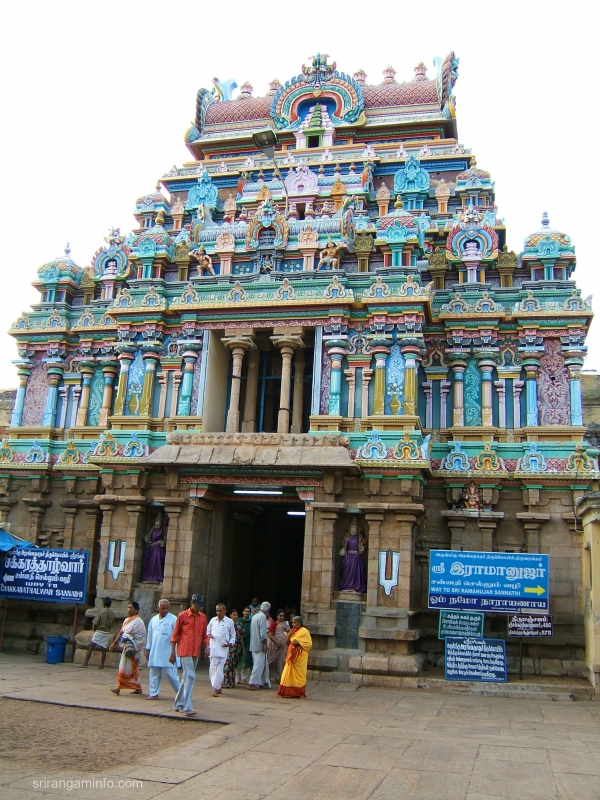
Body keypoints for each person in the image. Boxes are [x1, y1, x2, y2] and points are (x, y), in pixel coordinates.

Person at [170, 594, 208, 716]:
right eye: (196, 606)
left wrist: (207, 646)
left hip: (195, 650)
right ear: (191, 603)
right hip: (184, 649)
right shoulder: (182, 616)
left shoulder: (202, 617)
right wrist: (172, 653)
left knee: (186, 678)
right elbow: (174, 636)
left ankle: (178, 704)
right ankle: (188, 707)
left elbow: (204, 635)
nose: (198, 609)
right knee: (191, 676)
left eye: (200, 607)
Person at [109, 601, 147, 695]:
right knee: (128, 668)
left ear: (136, 610)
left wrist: (130, 639)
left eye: (131, 608)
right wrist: (114, 643)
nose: (129, 609)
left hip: (133, 647)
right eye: (128, 607)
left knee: (128, 668)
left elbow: (142, 635)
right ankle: (137, 688)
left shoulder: (139, 621)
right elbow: (121, 632)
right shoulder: (126, 620)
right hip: (126, 646)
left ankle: (119, 688)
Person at [145, 598, 180, 700]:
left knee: (171, 674)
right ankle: (153, 693)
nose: (164, 610)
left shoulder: (174, 619)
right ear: (158, 608)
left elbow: (176, 636)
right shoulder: (153, 620)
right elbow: (150, 636)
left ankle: (182, 693)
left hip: (168, 651)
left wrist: (174, 652)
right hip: (155, 650)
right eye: (162, 608)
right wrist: (148, 648)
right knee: (154, 672)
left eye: (166, 608)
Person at [277, 615, 312, 698]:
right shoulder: (292, 631)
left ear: (299, 623)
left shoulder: (304, 631)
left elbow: (309, 644)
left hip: (300, 656)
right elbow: (287, 642)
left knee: (299, 675)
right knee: (287, 673)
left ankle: (298, 692)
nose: (293, 624)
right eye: (292, 623)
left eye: (294, 623)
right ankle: (286, 691)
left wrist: (299, 643)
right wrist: (289, 635)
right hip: (291, 656)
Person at [206, 603, 235, 697]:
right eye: (217, 611)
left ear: (225, 611)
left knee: (219, 669)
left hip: (223, 648)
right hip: (213, 647)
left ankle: (215, 688)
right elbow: (207, 632)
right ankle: (218, 687)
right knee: (212, 669)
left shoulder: (229, 621)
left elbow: (233, 635)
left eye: (220, 611)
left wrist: (230, 643)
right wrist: (208, 640)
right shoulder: (212, 620)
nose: (218, 613)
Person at [82, 597, 115, 669]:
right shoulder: (112, 614)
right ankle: (102, 664)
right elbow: (112, 624)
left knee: (91, 647)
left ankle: (85, 663)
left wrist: (94, 629)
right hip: (106, 633)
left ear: (103, 604)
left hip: (99, 632)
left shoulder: (100, 612)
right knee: (103, 649)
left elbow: (96, 622)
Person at [339, 517, 367, 593]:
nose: (353, 529)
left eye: (355, 528)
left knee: (356, 572)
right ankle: (346, 586)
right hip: (348, 558)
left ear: (358, 528)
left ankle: (355, 587)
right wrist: (343, 551)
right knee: (346, 572)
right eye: (352, 527)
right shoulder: (347, 537)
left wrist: (362, 548)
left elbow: (363, 547)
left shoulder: (360, 538)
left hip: (357, 558)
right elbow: (344, 547)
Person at [248, 601, 271, 690]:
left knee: (260, 663)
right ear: (268, 610)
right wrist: (265, 644)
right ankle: (253, 683)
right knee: (258, 664)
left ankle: (262, 681)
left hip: (253, 643)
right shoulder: (262, 617)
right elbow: (263, 632)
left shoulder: (255, 616)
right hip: (259, 645)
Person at [142, 510, 168, 583]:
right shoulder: (152, 528)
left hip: (158, 548)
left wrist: (163, 542)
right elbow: (148, 536)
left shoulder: (163, 528)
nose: (157, 522)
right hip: (151, 548)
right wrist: (147, 539)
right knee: (149, 563)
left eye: (159, 521)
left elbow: (165, 538)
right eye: (156, 521)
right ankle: (148, 576)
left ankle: (157, 576)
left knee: (158, 562)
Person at [223, 609, 244, 689]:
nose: (235, 616)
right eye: (233, 615)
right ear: (230, 615)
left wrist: (242, 648)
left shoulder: (239, 624)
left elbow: (241, 637)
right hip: (228, 646)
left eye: (236, 615)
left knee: (233, 665)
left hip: (236, 647)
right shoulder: (227, 624)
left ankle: (231, 682)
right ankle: (225, 682)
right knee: (227, 663)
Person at [268, 609, 290, 683]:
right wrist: (277, 643)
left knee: (281, 661)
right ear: (277, 616)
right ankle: (267, 674)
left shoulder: (285, 624)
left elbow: (289, 632)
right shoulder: (274, 624)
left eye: (283, 616)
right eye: (280, 616)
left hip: (284, 645)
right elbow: (270, 635)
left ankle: (279, 677)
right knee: (272, 661)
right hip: (276, 645)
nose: (282, 617)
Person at [236, 607, 252, 685]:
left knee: (245, 660)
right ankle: (237, 678)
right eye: (245, 611)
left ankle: (244, 677)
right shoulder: (239, 621)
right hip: (239, 642)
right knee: (238, 660)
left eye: (248, 611)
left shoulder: (251, 622)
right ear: (243, 612)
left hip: (248, 643)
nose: (247, 613)